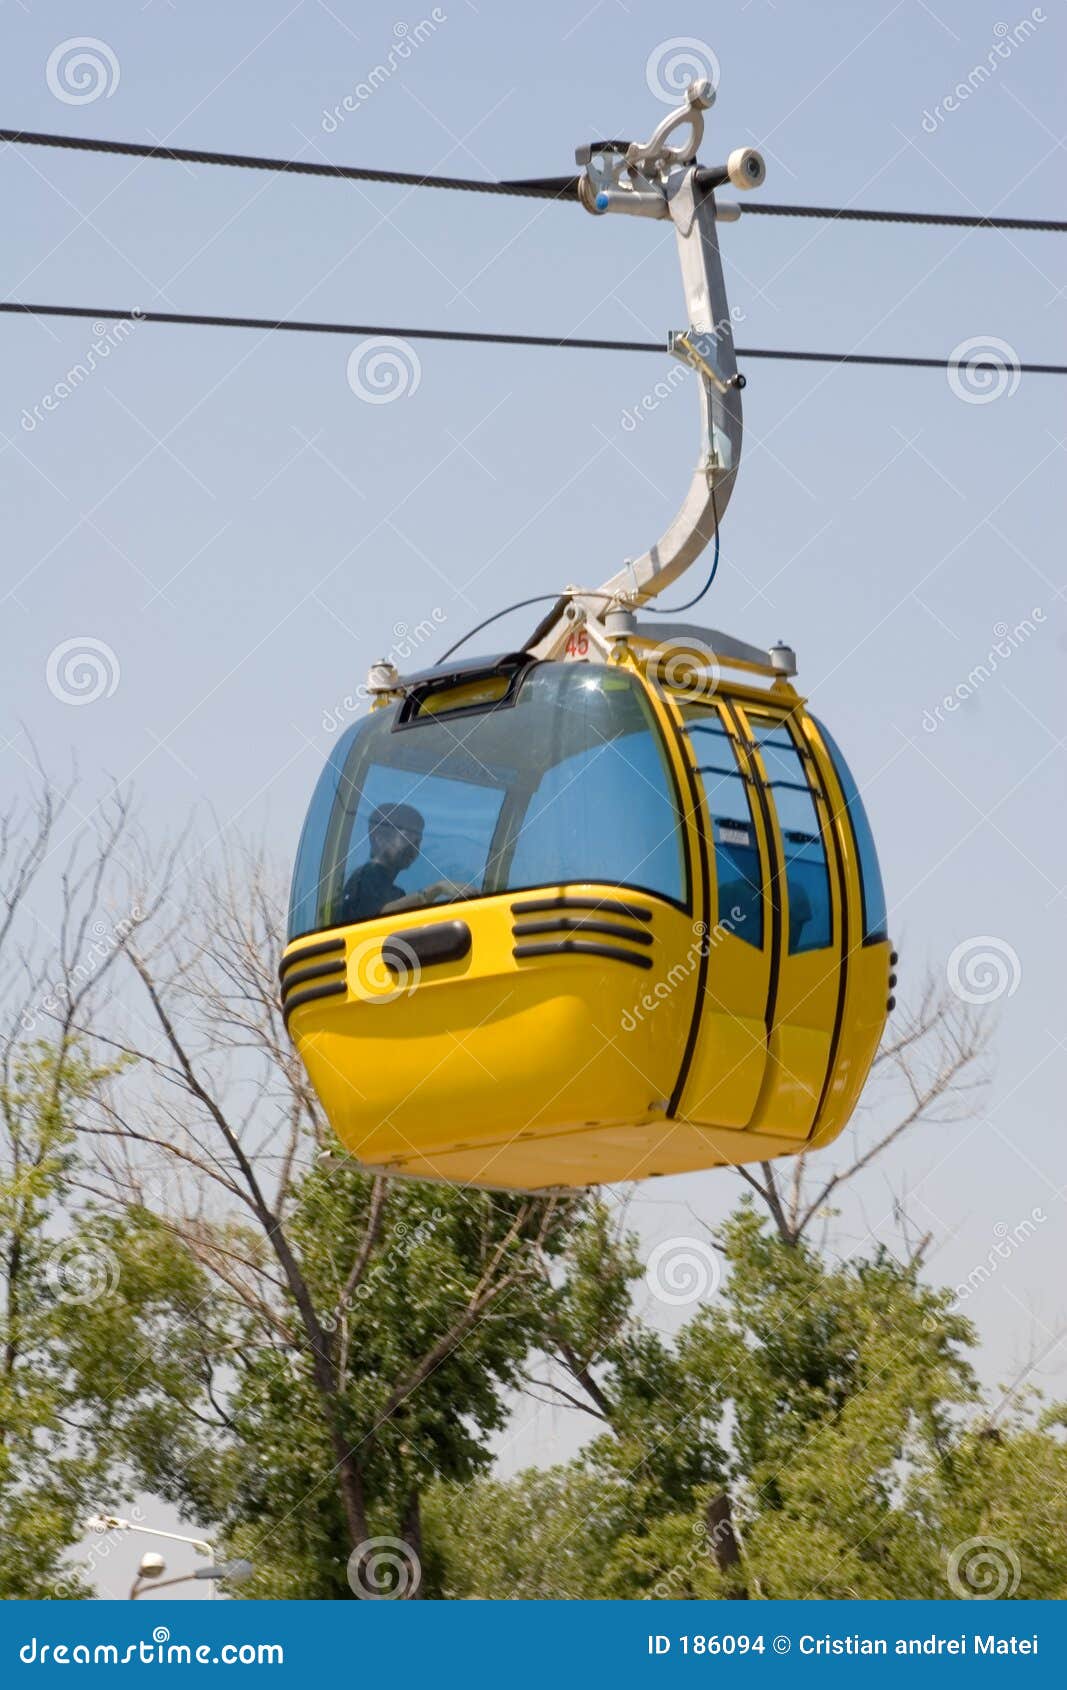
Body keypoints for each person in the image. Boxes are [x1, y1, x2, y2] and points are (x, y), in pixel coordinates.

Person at [338, 803, 472, 923]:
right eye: (408, 840)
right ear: (380, 839)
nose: (414, 849)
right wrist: (436, 889)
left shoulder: (395, 892)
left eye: (417, 842)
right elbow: (380, 917)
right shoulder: (366, 877)